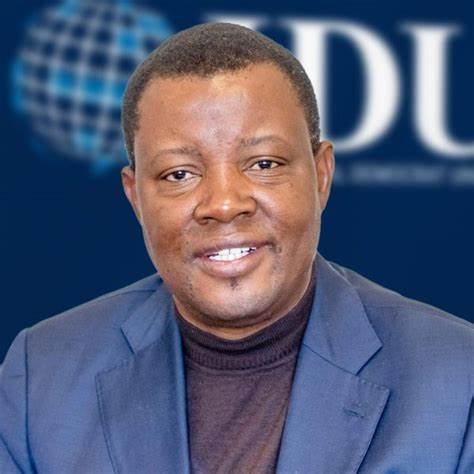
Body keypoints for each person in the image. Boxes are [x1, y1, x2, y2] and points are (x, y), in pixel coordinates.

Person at [1, 22, 473, 473]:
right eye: (179, 174)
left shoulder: (457, 379)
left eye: (264, 163)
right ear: (136, 197)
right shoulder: (38, 378)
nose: (224, 204)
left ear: (321, 176)